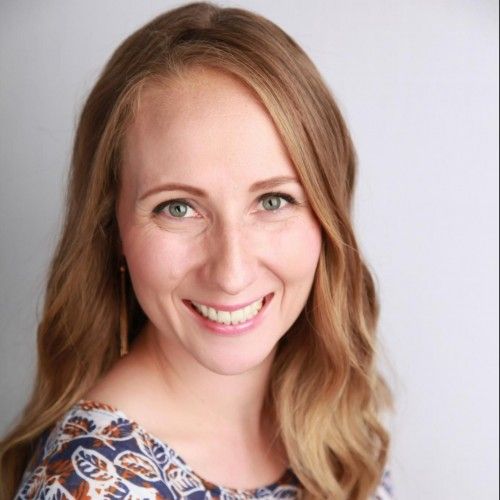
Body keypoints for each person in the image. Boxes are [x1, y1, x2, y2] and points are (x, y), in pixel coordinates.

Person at [0, 2, 395, 499]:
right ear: (111, 227)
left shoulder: (326, 418)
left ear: (327, 216)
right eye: (178, 208)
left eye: (273, 201)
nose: (231, 272)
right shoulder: (90, 484)